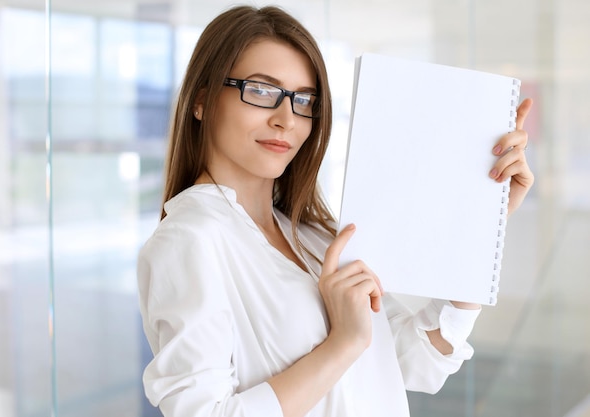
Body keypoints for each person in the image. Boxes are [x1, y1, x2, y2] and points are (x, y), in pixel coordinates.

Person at [137, 5, 534, 417]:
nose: (286, 119)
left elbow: (416, 364)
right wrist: (342, 344)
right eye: (260, 90)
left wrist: (482, 222)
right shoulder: (189, 240)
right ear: (201, 101)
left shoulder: (315, 236)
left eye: (304, 100)